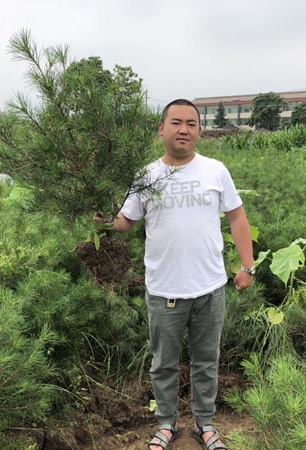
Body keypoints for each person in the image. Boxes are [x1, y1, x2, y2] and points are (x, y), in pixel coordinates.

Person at [96, 99, 255, 450]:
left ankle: (205, 423)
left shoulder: (215, 170)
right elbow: (127, 221)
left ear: (199, 131)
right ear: (162, 128)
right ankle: (166, 424)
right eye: (176, 122)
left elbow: (237, 218)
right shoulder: (147, 175)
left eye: (191, 124)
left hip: (210, 288)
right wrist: (105, 221)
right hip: (164, 288)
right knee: (164, 364)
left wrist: (247, 266)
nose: (184, 129)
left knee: (205, 361)